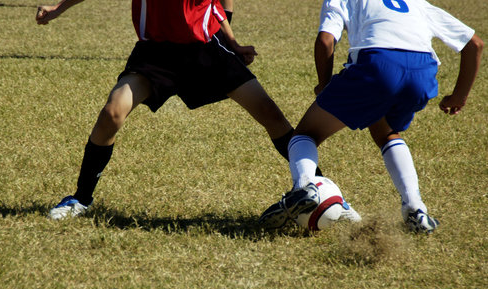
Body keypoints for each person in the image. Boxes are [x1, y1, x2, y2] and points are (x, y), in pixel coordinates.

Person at [36, 0, 300, 219]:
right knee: (112, 113)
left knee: (271, 114)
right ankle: (80, 199)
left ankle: (317, 188)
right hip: (156, 53)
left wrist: (232, 43)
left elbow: (217, 4)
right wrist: (58, 8)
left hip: (206, 50)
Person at [259, 0, 483, 233]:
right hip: (422, 72)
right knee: (385, 132)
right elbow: (474, 44)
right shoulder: (415, 2)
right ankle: (416, 210)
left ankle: (305, 186)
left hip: (377, 65)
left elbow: (326, 41)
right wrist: (459, 96)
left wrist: (325, 87)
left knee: (306, 134)